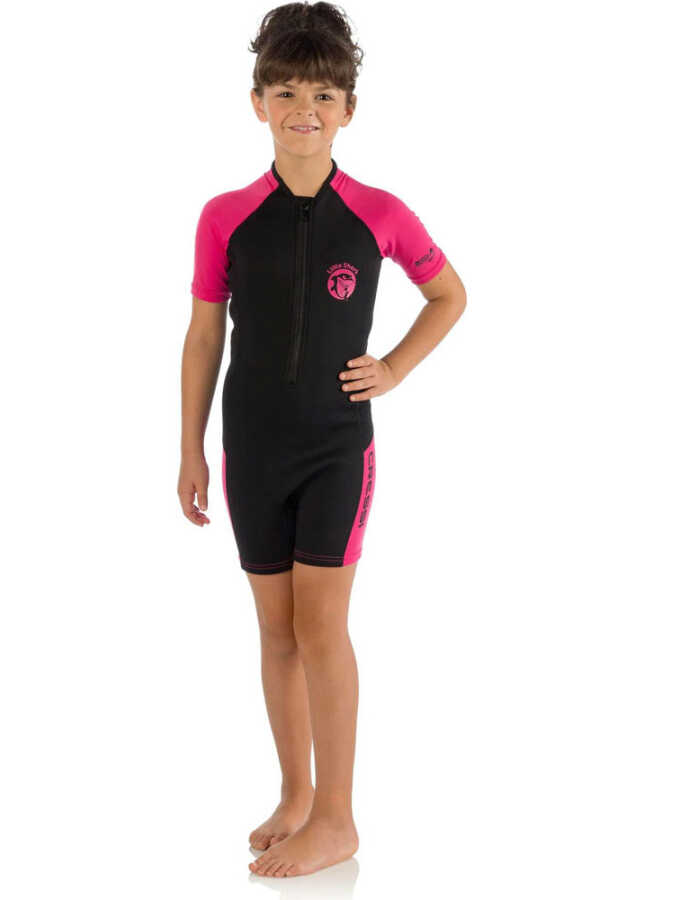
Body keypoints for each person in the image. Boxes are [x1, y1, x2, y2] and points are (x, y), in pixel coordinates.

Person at [178, 1, 466, 878]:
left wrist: (395, 368)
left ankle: (339, 818)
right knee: (275, 630)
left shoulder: (379, 212)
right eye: (287, 92)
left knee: (321, 624)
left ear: (348, 109)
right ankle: (296, 795)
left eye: (323, 95)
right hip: (251, 448)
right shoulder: (225, 216)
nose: (304, 109)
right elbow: (204, 336)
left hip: (338, 446)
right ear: (257, 101)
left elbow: (449, 295)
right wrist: (190, 449)